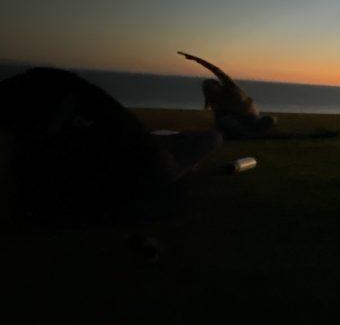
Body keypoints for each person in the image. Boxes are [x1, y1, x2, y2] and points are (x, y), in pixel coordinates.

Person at [0, 67, 221, 224]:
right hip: (147, 166)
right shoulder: (53, 87)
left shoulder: (45, 94)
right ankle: (183, 161)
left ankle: (181, 159)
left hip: (145, 163)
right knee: (205, 141)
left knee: (202, 141)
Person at [178, 52, 276, 139]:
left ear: (218, 85)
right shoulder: (214, 100)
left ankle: (248, 133)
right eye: (208, 88)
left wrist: (197, 59)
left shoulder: (230, 88)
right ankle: (247, 134)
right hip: (236, 121)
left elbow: (217, 70)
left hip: (249, 117)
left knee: (270, 120)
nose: (211, 89)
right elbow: (219, 118)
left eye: (212, 86)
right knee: (226, 123)